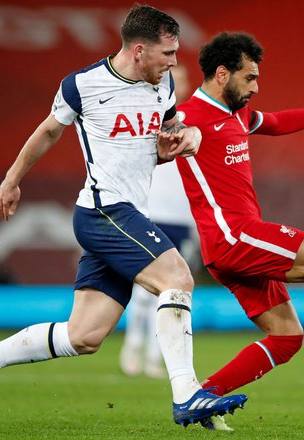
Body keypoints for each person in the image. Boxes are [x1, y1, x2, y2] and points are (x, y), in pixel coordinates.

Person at [0, 6, 246, 429]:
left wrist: (187, 137)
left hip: (127, 214)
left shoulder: (162, 90)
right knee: (177, 278)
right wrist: (12, 180)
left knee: (83, 336)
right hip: (103, 211)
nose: (174, 62)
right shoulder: (83, 85)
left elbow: (165, 137)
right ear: (139, 50)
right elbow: (49, 130)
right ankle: (187, 396)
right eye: (168, 53)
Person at [176, 32, 304, 423]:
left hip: (227, 247)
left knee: (287, 338)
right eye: (249, 77)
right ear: (222, 74)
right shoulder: (188, 118)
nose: (256, 86)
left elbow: (277, 122)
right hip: (233, 236)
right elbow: (149, 144)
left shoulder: (236, 112)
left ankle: (203, 397)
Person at [119, 63, 199, 379]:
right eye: (171, 81)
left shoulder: (194, 122)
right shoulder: (150, 118)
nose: (176, 87)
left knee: (172, 291)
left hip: (182, 215)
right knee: (146, 288)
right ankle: (132, 345)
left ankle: (155, 355)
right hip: (152, 211)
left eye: (180, 81)